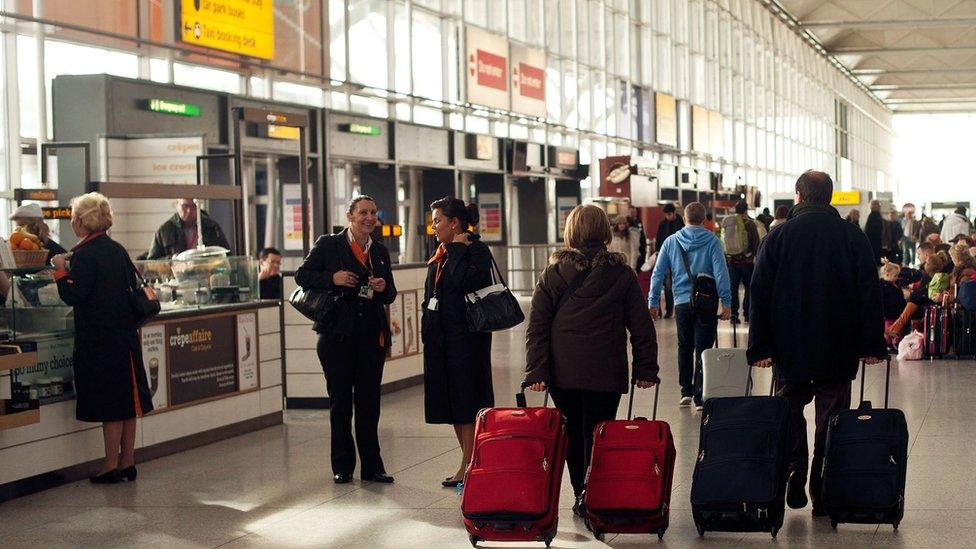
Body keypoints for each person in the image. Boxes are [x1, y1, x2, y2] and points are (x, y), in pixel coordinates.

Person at [748, 170, 887, 518]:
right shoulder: (851, 236)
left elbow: (759, 294)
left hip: (789, 346)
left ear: (798, 195)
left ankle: (795, 467)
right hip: (837, 345)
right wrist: (871, 343)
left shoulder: (778, 237)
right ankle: (822, 483)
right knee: (833, 415)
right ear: (828, 197)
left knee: (790, 409)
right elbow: (869, 292)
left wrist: (761, 348)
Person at [524, 204, 659, 515]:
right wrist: (645, 368)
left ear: (571, 232)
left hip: (563, 370)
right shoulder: (621, 274)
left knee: (571, 433)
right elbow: (641, 325)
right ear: (604, 232)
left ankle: (580, 494)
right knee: (598, 431)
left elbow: (537, 326)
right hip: (605, 369)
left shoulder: (554, 272)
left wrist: (537, 371)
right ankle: (594, 490)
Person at [50, 192, 153, 484]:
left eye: (73, 216)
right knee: (127, 401)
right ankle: (127, 461)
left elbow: (76, 294)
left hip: (100, 340)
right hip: (125, 336)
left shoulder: (84, 255)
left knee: (110, 404)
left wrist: (59, 271)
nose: (71, 221)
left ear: (83, 221)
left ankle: (110, 465)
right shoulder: (117, 249)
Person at [295, 196, 397, 485]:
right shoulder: (329, 244)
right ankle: (342, 466)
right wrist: (333, 278)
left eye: (373, 213)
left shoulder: (378, 251)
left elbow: (390, 294)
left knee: (369, 403)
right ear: (350, 216)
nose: (369, 218)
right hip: (336, 336)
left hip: (370, 338)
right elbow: (302, 276)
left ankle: (372, 466)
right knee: (340, 402)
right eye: (363, 212)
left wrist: (382, 286)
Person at [421, 197, 495, 488]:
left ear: (454, 223)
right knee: (453, 402)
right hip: (442, 338)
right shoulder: (440, 252)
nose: (434, 226)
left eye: (438, 220)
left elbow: (466, 282)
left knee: (468, 400)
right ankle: (466, 460)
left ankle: (470, 463)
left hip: (468, 338)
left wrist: (456, 250)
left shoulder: (475, 250)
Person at [649, 202, 732, 409]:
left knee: (684, 346)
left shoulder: (671, 242)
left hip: (682, 303)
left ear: (684, 219)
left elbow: (658, 273)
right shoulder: (712, 241)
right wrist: (727, 302)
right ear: (704, 220)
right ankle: (699, 396)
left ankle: (685, 390)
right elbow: (721, 273)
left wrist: (653, 301)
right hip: (706, 302)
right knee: (703, 349)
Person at [147, 198, 231, 259]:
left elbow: (227, 255)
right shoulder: (164, 231)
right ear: (176, 204)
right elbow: (151, 263)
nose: (189, 211)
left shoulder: (212, 227)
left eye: (194, 207)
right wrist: (172, 259)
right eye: (185, 206)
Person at [722, 200, 761, 324]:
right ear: (746, 210)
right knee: (749, 288)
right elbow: (756, 243)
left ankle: (733, 314)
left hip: (732, 262)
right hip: (746, 262)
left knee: (733, 288)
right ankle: (748, 314)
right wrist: (754, 256)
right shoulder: (750, 224)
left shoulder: (729, 223)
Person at [654, 203, 684, 318]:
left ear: (674, 213)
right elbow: (659, 239)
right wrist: (658, 253)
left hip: (679, 258)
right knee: (667, 285)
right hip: (666, 258)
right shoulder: (662, 224)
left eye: (669, 214)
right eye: (666, 214)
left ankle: (678, 309)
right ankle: (669, 310)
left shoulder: (681, 224)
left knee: (678, 284)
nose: (668, 216)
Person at [864, 200, 885, 265]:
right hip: (874, 239)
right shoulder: (873, 216)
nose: (879, 206)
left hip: (876, 239)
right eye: (878, 205)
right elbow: (871, 229)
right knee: (875, 251)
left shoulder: (875, 215)